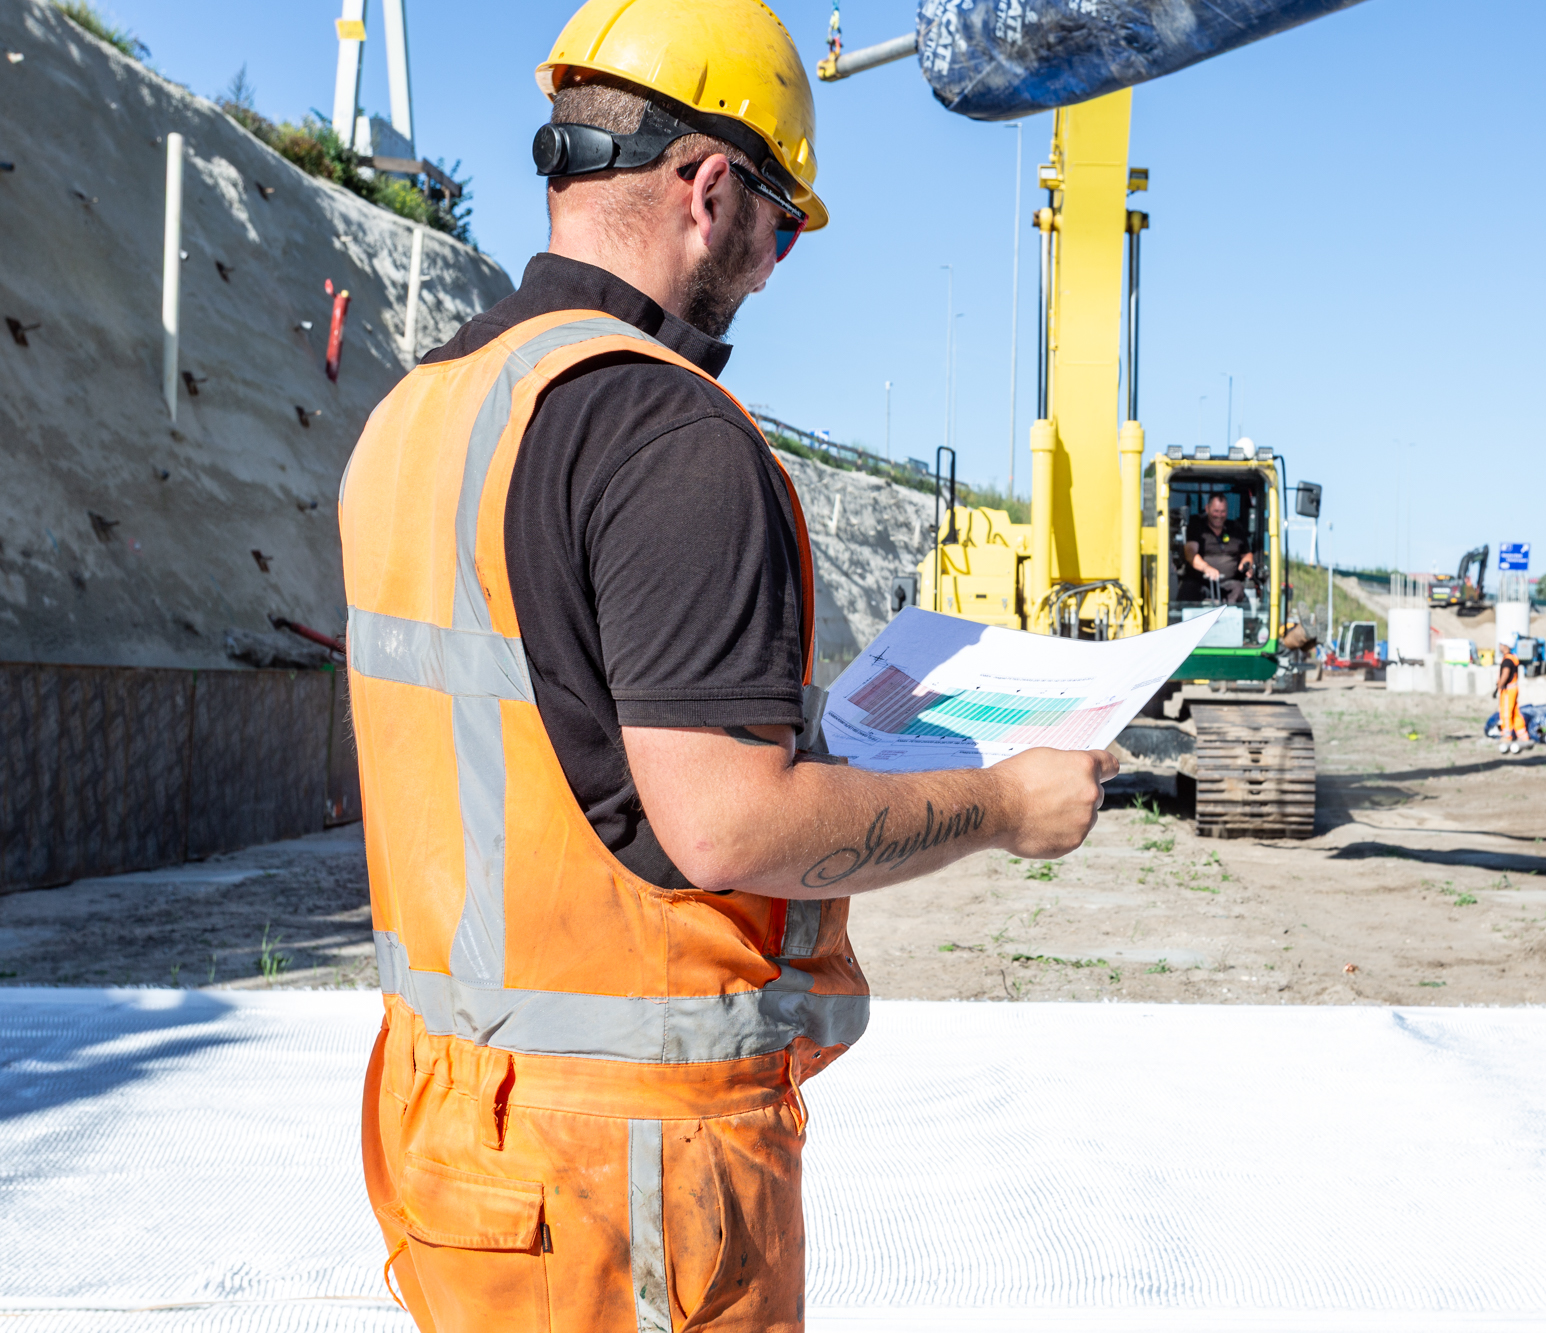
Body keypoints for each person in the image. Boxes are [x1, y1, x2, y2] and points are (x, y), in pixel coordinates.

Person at [338, 2, 1114, 1328]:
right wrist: (1006, 804)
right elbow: (728, 820)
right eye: (784, 221)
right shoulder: (663, 431)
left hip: (455, 1125)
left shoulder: (426, 406)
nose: (775, 263)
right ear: (709, 188)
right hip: (630, 1168)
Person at [1183, 494, 1255, 603]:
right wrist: (1206, 568)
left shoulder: (1236, 529)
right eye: (1216, 511)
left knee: (1239, 589)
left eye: (1223, 512)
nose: (1219, 515)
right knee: (1188, 589)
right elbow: (1190, 553)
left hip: (1228, 584)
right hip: (1201, 583)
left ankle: (1229, 617)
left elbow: (1247, 554)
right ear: (1207, 509)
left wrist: (1247, 564)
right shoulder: (1196, 526)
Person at [1495, 644, 1528, 753]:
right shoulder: (1513, 657)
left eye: (1500, 645)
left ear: (1504, 646)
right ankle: (1522, 735)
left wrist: (1500, 684)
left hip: (1508, 690)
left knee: (1506, 713)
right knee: (1515, 712)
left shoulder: (1507, 660)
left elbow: (1505, 673)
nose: (1499, 647)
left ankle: (1507, 736)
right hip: (1513, 688)